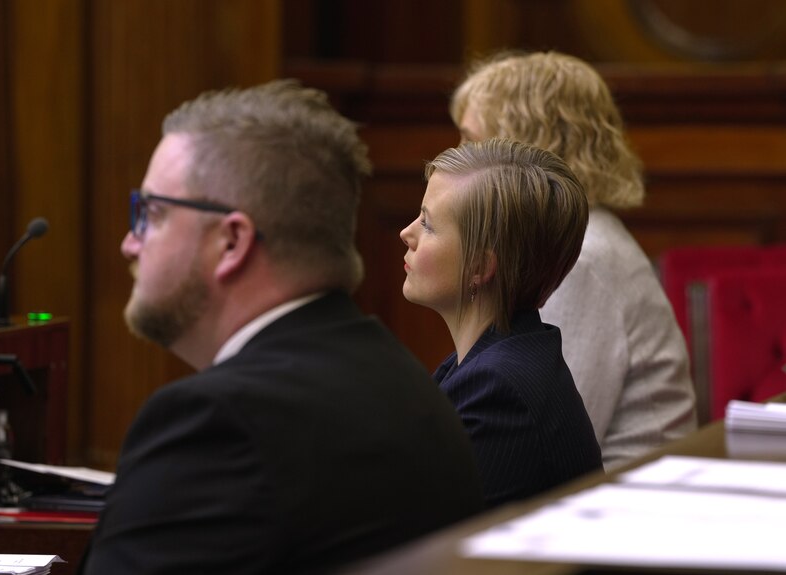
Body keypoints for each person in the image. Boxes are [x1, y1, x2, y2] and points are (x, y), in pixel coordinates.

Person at [78, 80, 484, 574]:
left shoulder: (217, 424)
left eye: (153, 213)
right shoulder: (410, 386)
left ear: (231, 242)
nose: (130, 242)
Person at [450, 51, 697, 470]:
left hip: (626, 503)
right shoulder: (580, 242)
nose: (456, 158)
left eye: (472, 143)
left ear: (524, 148)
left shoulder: (582, 259)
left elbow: (542, 440)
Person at [400, 138, 603, 508]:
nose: (406, 233)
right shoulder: (491, 363)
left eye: (427, 225)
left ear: (480, 267)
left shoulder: (499, 391)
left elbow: (438, 530)